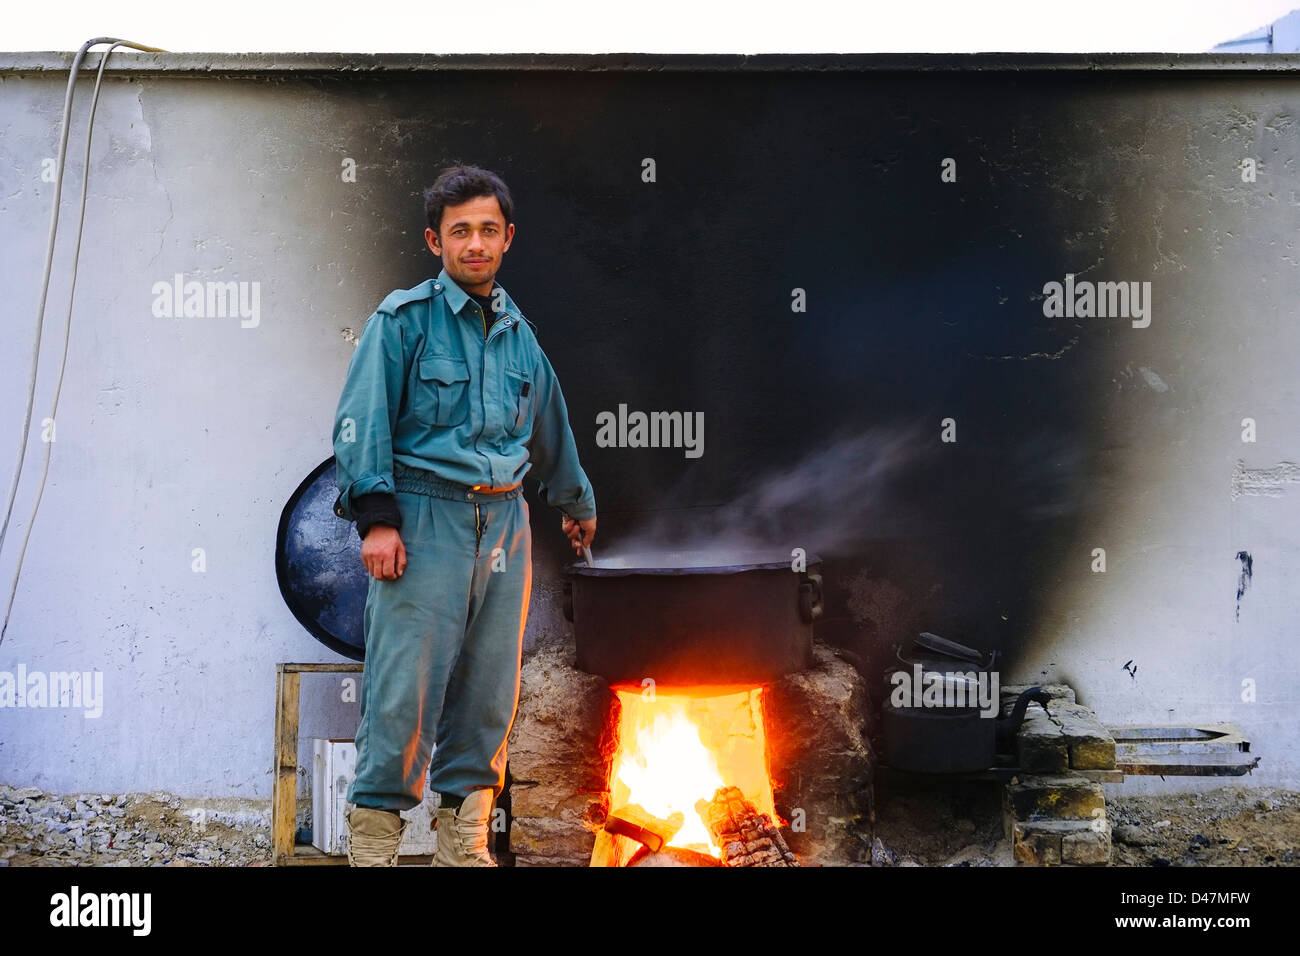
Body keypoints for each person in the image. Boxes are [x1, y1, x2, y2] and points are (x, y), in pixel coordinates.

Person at [331, 164, 597, 866]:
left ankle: (465, 848)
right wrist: (377, 519)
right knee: (402, 696)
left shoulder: (520, 340)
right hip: (424, 521)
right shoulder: (402, 321)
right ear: (435, 241)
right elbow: (361, 423)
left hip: (505, 526)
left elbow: (551, 429)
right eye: (459, 232)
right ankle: (374, 852)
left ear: (507, 237)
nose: (474, 243)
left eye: (486, 229)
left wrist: (575, 504)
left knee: (488, 697)